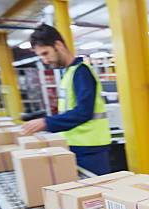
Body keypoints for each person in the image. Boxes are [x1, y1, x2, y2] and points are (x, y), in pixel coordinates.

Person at [22, 24, 112, 175]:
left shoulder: (81, 72)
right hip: (77, 146)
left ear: (58, 45)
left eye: (46, 53)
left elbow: (84, 112)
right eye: (41, 56)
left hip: (90, 148)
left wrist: (47, 122)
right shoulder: (68, 73)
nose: (45, 60)